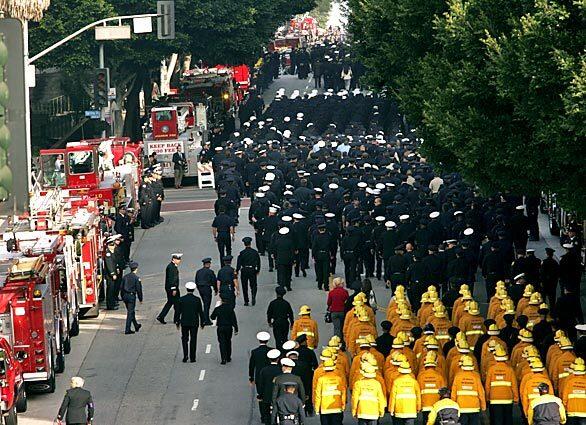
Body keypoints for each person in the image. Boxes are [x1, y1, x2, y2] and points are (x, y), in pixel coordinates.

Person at [174, 281, 205, 363]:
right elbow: (200, 312)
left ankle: (185, 356)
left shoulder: (181, 299)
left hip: (184, 322)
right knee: (193, 339)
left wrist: (177, 322)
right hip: (194, 322)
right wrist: (202, 322)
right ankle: (193, 357)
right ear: (194, 289)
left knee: (184, 339)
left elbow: (178, 312)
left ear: (186, 289)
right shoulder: (197, 299)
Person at [210, 295, 239, 364]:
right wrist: (236, 328)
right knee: (228, 341)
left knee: (222, 343)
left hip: (220, 327)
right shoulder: (230, 309)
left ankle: (223, 358)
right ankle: (228, 357)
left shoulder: (218, 308)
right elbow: (234, 319)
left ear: (221, 301)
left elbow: (212, 317)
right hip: (229, 327)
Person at [257, 349, 282, 425]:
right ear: (278, 359)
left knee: (267, 415)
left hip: (267, 396)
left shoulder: (264, 370)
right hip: (279, 396)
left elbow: (260, 384)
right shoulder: (281, 369)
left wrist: (260, 394)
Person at [157, 253, 183, 324]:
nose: (179, 260)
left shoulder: (172, 266)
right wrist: (174, 289)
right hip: (172, 288)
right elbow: (172, 279)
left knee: (170, 302)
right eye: (178, 259)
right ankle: (176, 319)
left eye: (179, 259)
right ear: (173, 259)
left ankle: (161, 316)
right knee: (177, 304)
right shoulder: (172, 267)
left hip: (170, 288)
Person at [237, 236, 261, 306]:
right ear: (250, 243)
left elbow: (239, 263)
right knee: (253, 285)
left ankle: (246, 301)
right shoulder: (255, 252)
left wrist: (237, 270)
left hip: (244, 270)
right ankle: (253, 296)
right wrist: (258, 270)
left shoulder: (242, 253)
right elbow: (258, 262)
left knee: (244, 286)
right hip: (252, 270)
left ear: (244, 244)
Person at [120, 261, 143, 335]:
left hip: (125, 296)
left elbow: (121, 288)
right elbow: (139, 289)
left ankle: (136, 325)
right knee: (130, 312)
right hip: (131, 296)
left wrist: (122, 297)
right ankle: (127, 329)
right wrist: (140, 299)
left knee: (131, 311)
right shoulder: (136, 278)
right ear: (136, 269)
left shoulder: (125, 277)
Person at [195, 257, 216, 325]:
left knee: (204, 303)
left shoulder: (198, 271)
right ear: (208, 264)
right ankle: (206, 320)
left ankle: (204, 318)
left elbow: (196, 281)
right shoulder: (210, 272)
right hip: (207, 288)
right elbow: (214, 281)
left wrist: (199, 288)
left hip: (200, 289)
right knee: (207, 305)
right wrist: (216, 289)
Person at [103, 237, 120, 310]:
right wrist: (113, 274)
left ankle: (113, 303)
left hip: (113, 273)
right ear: (109, 246)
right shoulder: (108, 254)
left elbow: (114, 263)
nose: (114, 247)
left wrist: (117, 268)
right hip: (110, 276)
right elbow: (109, 265)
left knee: (112, 289)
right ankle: (110, 305)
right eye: (112, 245)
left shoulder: (112, 252)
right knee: (110, 290)